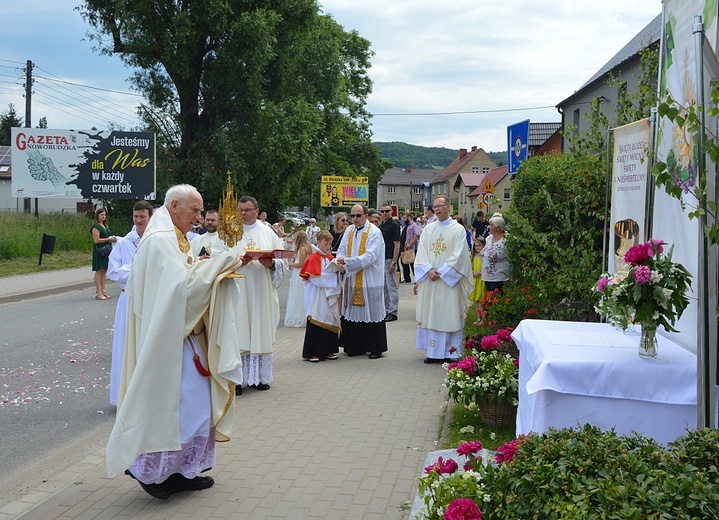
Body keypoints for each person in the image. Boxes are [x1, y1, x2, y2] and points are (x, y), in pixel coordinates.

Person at [106, 184, 243, 500]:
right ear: (175, 205)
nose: (199, 217)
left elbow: (187, 277)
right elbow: (182, 290)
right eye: (195, 210)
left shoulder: (176, 237)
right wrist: (225, 263)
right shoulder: (161, 240)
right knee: (182, 409)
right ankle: (152, 473)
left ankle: (184, 471)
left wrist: (212, 266)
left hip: (182, 337)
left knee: (196, 409)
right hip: (169, 341)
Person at [234, 195, 286, 391]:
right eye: (241, 210)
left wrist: (273, 264)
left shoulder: (268, 232)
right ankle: (237, 380)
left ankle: (260, 378)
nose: (244, 213)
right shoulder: (230, 232)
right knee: (239, 330)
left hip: (261, 290)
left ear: (257, 211)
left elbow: (282, 259)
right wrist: (237, 261)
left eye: (247, 210)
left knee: (260, 329)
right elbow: (220, 259)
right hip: (238, 290)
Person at [415, 195, 474, 364]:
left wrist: (441, 272)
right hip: (430, 279)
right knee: (432, 313)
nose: (437, 209)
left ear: (448, 206)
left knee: (449, 314)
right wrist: (428, 270)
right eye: (435, 206)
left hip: (448, 281)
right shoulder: (428, 229)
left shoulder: (458, 229)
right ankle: (433, 352)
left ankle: (451, 352)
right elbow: (422, 253)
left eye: (440, 206)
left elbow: (460, 255)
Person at [107, 200, 153, 406]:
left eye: (142, 217)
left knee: (147, 345)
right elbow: (113, 271)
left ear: (150, 217)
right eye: (136, 217)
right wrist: (136, 268)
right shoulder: (125, 242)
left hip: (151, 298)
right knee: (126, 346)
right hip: (129, 298)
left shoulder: (156, 239)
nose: (138, 220)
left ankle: (146, 395)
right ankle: (123, 395)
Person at [335, 204, 387, 359]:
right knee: (353, 312)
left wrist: (348, 263)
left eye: (358, 216)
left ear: (366, 215)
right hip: (351, 279)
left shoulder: (374, 232)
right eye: (353, 216)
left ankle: (375, 348)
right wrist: (340, 261)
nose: (355, 219)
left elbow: (371, 256)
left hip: (369, 279)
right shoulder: (349, 230)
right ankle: (354, 346)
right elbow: (342, 249)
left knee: (372, 311)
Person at [299, 230, 341, 362]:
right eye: (325, 243)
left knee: (330, 318)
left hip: (328, 294)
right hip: (317, 295)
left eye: (330, 243)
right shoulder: (313, 258)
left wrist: (338, 272)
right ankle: (314, 352)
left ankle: (329, 350)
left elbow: (335, 274)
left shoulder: (330, 258)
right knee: (317, 319)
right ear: (318, 242)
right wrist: (333, 278)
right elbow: (315, 278)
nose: (328, 246)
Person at [284, 230, 311, 328]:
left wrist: (290, 264)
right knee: (299, 294)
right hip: (299, 272)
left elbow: (301, 264)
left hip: (299, 273)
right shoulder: (306, 248)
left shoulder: (303, 249)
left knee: (298, 294)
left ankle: (299, 317)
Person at [379, 204, 400, 322]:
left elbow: (397, 244)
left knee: (391, 286)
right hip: (382, 258)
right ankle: (386, 310)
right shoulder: (382, 225)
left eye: (387, 211)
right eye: (382, 211)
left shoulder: (394, 225)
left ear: (391, 211)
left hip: (389, 258)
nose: (384, 213)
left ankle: (393, 311)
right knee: (384, 286)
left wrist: (394, 261)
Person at [479, 215, 510, 293]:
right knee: (489, 300)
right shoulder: (489, 238)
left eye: (491, 225)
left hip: (500, 277)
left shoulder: (507, 239)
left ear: (498, 228)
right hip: (487, 277)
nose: (489, 227)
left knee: (495, 300)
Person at [91, 207, 117, 300]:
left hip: (106, 250)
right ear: (97, 215)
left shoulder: (105, 226)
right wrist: (109, 239)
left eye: (105, 215)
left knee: (104, 270)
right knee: (99, 270)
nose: (103, 216)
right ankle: (98, 292)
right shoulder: (95, 227)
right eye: (101, 214)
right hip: (99, 250)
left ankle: (103, 290)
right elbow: (96, 240)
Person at [468, 236, 487, 325]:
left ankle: (484, 319)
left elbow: (487, 268)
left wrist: (480, 273)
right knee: (476, 301)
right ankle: (478, 318)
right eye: (475, 246)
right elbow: (471, 267)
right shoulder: (474, 256)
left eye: (479, 245)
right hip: (476, 280)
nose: (477, 247)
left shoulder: (484, 256)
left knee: (481, 300)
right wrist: (472, 273)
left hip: (482, 280)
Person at [400, 213, 421, 283]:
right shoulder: (405, 226)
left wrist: (410, 244)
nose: (404, 219)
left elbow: (417, 235)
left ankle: (417, 279)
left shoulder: (415, 225)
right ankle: (407, 278)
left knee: (413, 264)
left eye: (405, 218)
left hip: (412, 248)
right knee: (404, 262)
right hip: (404, 248)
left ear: (410, 217)